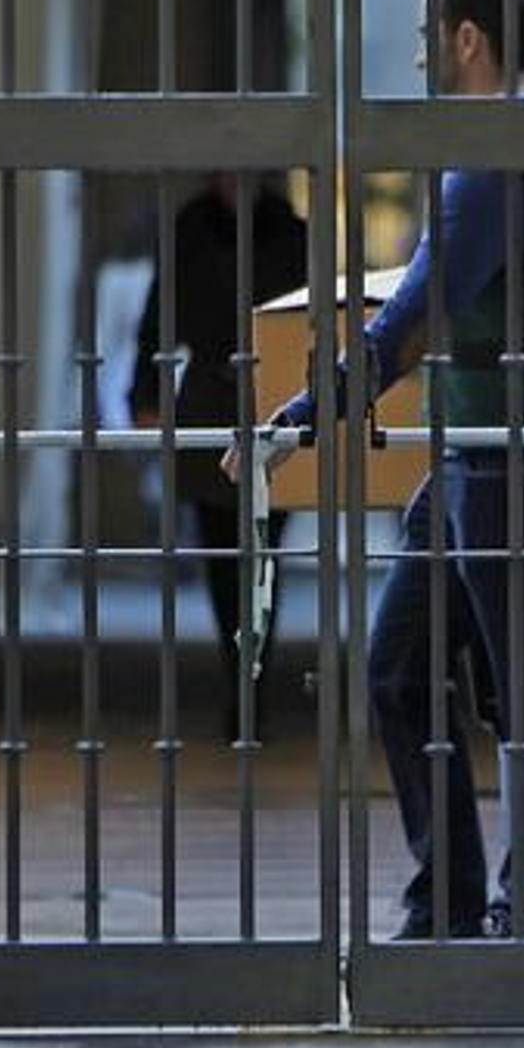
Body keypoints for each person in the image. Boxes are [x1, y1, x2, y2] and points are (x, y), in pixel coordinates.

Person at [232, 0, 524, 939]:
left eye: (423, 37)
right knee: (403, 670)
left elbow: (414, 318)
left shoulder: (495, 155)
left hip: (520, 460)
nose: (416, 57)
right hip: (483, 451)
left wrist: (298, 419)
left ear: (466, 40)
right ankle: (451, 897)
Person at [130, 173, 309, 740]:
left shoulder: (288, 233)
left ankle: (250, 680)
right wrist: (145, 394)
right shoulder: (192, 229)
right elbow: (160, 314)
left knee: (260, 552)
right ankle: (241, 677)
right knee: (221, 552)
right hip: (211, 403)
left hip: (274, 402)